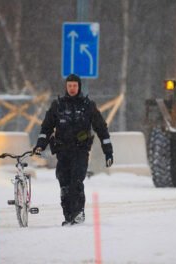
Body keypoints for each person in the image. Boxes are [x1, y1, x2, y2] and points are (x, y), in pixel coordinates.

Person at [33, 74, 114, 226]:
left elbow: (101, 129)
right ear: (66, 87)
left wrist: (108, 151)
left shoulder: (88, 105)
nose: (72, 89)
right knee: (64, 183)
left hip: (80, 151)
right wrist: (40, 145)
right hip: (62, 152)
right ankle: (68, 216)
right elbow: (46, 128)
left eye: (75, 86)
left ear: (79, 87)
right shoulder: (57, 106)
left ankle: (78, 213)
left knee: (76, 181)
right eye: (69, 86)